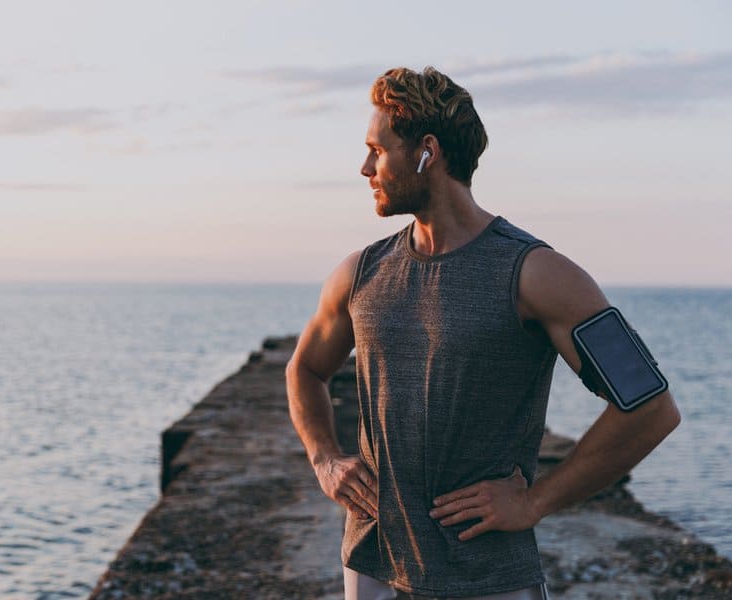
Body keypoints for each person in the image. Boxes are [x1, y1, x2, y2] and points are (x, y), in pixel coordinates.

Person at [285, 66, 681, 600]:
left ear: (427, 151)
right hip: (372, 566)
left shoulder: (537, 274)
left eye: (376, 150)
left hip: (489, 580)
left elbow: (651, 407)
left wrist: (536, 501)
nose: (364, 168)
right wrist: (325, 459)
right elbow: (305, 369)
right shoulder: (360, 273)